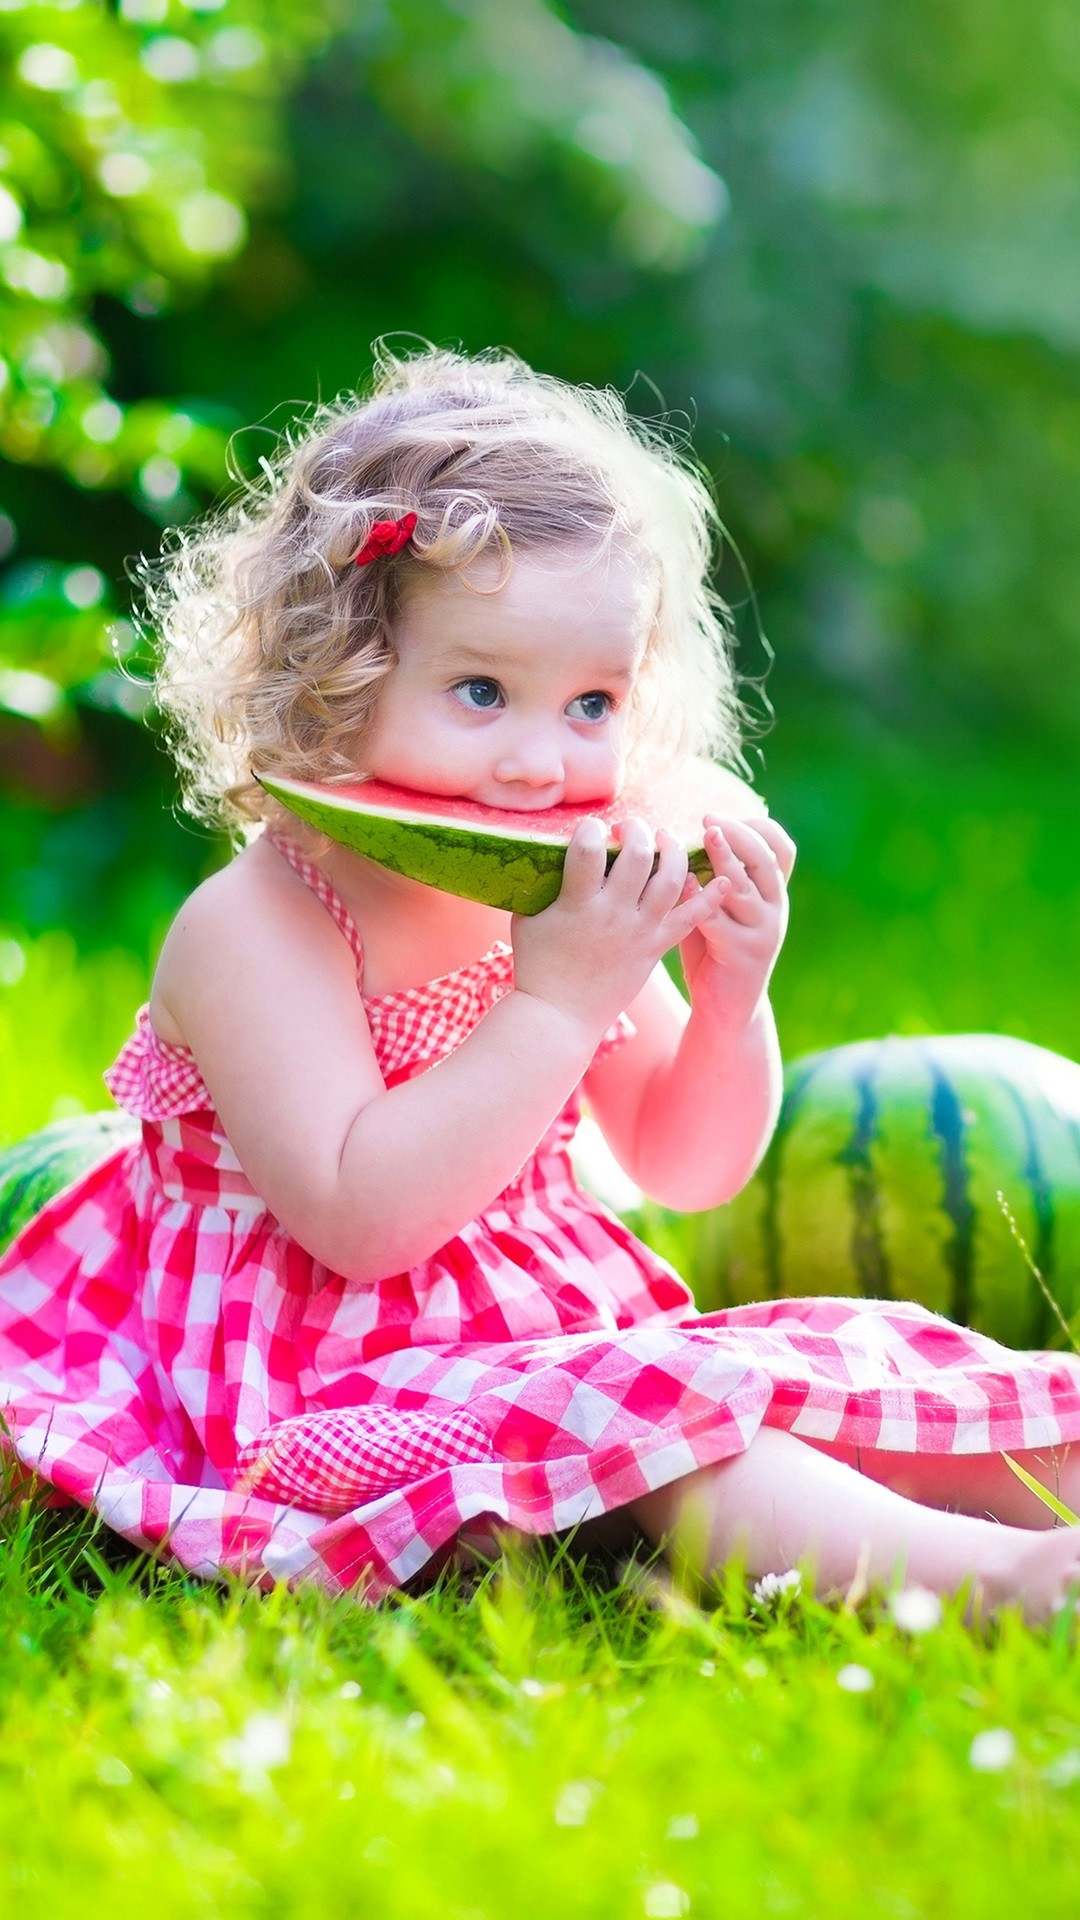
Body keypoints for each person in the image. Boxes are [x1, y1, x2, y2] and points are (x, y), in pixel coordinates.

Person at [2, 344, 1080, 1620]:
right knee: (679, 1440)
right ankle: (1010, 1587)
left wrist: (731, 997)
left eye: (590, 703)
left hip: (554, 1347)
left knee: (836, 1371)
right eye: (479, 692)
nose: (535, 762)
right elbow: (359, 1220)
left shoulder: (558, 891)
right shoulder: (261, 925)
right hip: (317, 1399)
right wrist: (554, 1006)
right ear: (335, 677)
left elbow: (687, 1168)